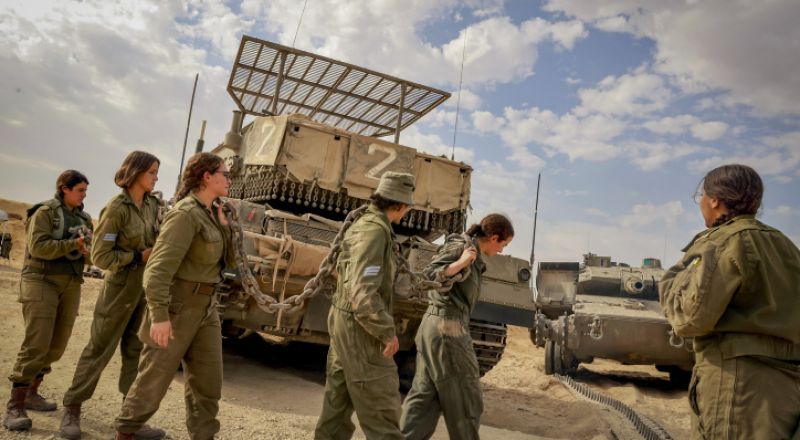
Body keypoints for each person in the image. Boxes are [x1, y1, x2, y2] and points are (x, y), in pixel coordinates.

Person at [659, 164, 800, 439]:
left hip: (738, 387)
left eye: (701, 195)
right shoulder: (786, 246)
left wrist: (673, 278)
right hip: (788, 385)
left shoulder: (722, 242)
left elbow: (691, 319)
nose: (701, 202)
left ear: (714, 200)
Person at [114, 152, 234, 440]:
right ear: (207, 176)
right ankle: (126, 432)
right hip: (178, 308)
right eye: (225, 174)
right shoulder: (185, 214)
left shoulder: (211, 213)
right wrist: (159, 316)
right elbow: (157, 270)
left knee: (208, 385)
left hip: (206, 309)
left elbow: (228, 263)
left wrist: (225, 226)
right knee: (153, 381)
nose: (229, 180)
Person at [60, 151, 165, 439]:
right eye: (152, 172)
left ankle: (131, 419)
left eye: (157, 172)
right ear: (136, 172)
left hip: (143, 290)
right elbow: (100, 256)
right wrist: (137, 256)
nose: (156, 178)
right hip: (119, 290)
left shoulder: (153, 206)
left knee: (136, 353)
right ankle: (72, 408)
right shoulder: (117, 208)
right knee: (99, 350)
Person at [314, 171, 416, 440]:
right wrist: (385, 330)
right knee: (381, 406)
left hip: (345, 319)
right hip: (361, 328)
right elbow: (363, 291)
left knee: (337, 405)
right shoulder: (375, 231)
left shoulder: (363, 224)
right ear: (401, 205)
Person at [400, 214, 514, 440]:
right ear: (494, 238)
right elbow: (428, 276)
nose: (502, 250)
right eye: (504, 244)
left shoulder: (471, 251)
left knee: (425, 398)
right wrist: (460, 263)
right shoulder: (461, 248)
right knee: (466, 397)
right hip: (447, 329)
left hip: (436, 327)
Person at [4, 170, 93, 432]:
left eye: (86, 191)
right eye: (80, 190)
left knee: (56, 345)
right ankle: (15, 405)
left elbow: (89, 254)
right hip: (41, 280)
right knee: (37, 342)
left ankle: (32, 393)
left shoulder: (84, 219)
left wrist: (87, 251)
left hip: (71, 282)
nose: (84, 195)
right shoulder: (45, 212)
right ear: (64, 188)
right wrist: (72, 244)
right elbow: (38, 247)